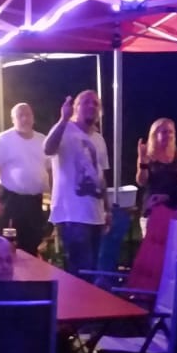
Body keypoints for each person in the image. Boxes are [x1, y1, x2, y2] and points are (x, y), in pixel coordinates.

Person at [43, 89, 111, 276]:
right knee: (81, 270)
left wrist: (107, 209)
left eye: (95, 103)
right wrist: (63, 119)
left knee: (92, 270)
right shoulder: (65, 129)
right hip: (72, 214)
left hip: (95, 214)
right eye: (85, 102)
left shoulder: (99, 139)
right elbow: (48, 149)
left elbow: (101, 176)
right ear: (75, 108)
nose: (91, 106)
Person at [0, 103, 49, 255]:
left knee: (32, 245)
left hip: (35, 202)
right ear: (13, 119)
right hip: (12, 200)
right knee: (6, 245)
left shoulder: (42, 140)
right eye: (20, 115)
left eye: (28, 115)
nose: (25, 119)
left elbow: (51, 170)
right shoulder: (3, 139)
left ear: (33, 118)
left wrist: (54, 197)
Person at [135, 117, 177, 234]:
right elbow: (141, 181)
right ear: (154, 135)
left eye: (171, 132)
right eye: (164, 132)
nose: (168, 135)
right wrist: (142, 161)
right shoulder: (147, 155)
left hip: (174, 210)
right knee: (154, 245)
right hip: (153, 210)